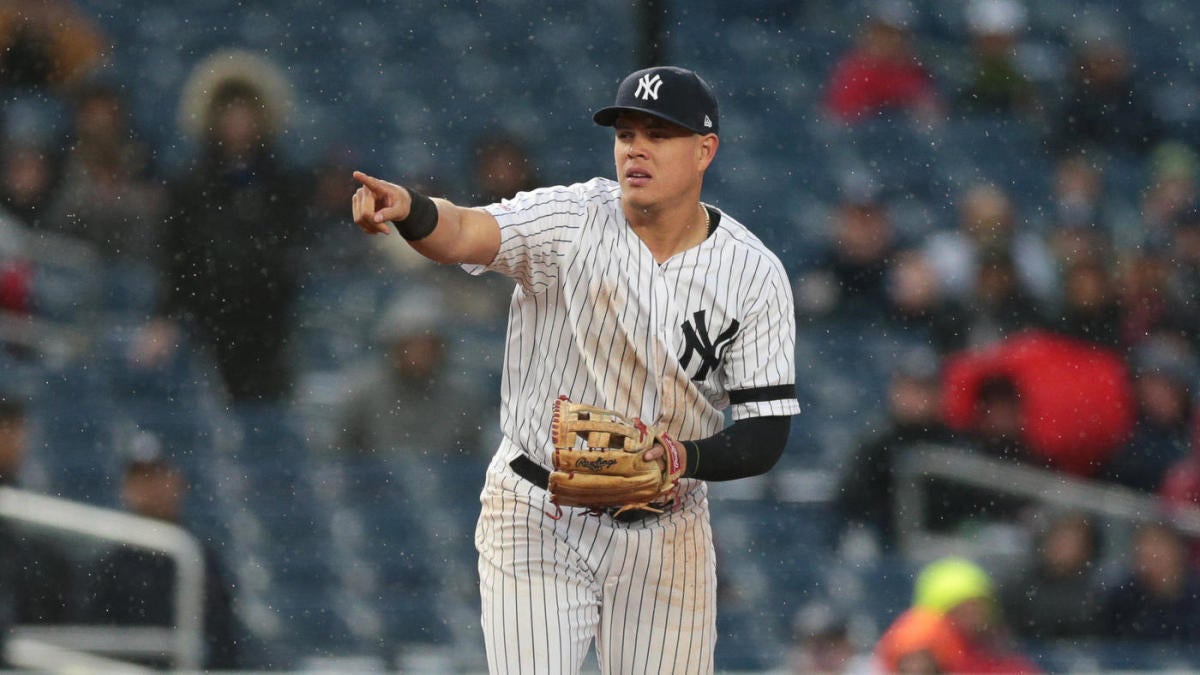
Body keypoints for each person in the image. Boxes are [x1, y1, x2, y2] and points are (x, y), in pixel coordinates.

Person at [351, 65, 800, 674]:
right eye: (626, 133)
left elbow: (765, 434)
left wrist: (677, 459)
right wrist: (413, 213)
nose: (635, 147)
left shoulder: (753, 274)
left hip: (665, 529)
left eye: (658, 133)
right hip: (538, 512)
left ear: (704, 150)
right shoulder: (569, 220)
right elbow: (462, 231)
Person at [133, 49, 308, 403]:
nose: (239, 122)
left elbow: (293, 251)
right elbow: (174, 255)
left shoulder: (283, 183)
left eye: (247, 112)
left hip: (268, 325)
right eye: (230, 111)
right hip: (206, 324)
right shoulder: (189, 185)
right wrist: (164, 316)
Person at [81, 431, 241, 669]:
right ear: (126, 487)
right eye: (142, 478)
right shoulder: (110, 566)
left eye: (158, 475)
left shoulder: (201, 559)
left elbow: (224, 639)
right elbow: (97, 643)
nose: (152, 488)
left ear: (178, 481)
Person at [333, 286, 488, 456]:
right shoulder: (362, 394)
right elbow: (340, 457)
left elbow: (473, 459)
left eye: (427, 346)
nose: (419, 354)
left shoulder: (463, 397)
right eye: (410, 345)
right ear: (393, 347)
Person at [836, 346, 957, 549]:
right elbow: (852, 500)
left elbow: (962, 504)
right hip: (886, 544)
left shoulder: (953, 443)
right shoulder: (876, 443)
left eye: (924, 389)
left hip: (942, 545)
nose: (915, 398)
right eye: (909, 388)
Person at [876, 556, 1040, 674]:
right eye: (961, 609)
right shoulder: (917, 646)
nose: (975, 616)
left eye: (978, 606)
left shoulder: (998, 650)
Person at [0, 395, 74, 624]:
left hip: (26, 622)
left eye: (17, 430)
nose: (13, 439)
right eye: (6, 429)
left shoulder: (33, 488)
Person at [822, 1, 940, 124]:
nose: (891, 41)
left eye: (898, 36)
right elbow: (839, 118)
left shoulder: (914, 75)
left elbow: (932, 117)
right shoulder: (857, 73)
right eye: (885, 33)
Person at [998, 510, 1104, 640]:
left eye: (1070, 542)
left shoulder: (1098, 591)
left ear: (1086, 549)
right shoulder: (1021, 586)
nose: (1061, 547)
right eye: (1058, 539)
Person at [1100, 520, 1200, 642]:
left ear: (1176, 553)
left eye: (1158, 558)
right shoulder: (1122, 599)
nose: (1150, 566)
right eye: (1145, 557)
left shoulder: (1194, 595)